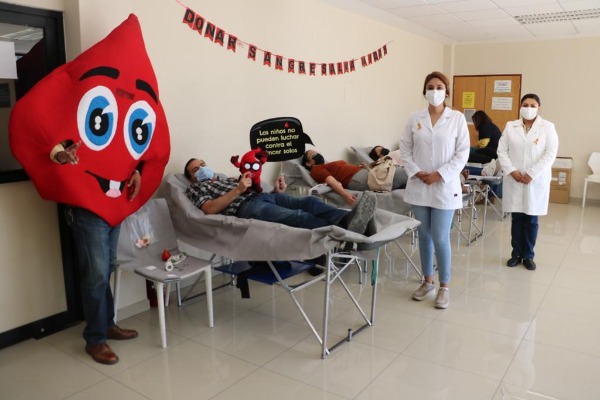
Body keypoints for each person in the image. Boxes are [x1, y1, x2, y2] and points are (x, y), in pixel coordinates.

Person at [51, 141, 140, 365]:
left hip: (113, 206)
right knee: (96, 275)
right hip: (88, 208)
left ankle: (107, 325)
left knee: (106, 269)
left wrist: (136, 171)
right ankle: (95, 339)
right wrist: (61, 155)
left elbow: (126, 151)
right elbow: (50, 143)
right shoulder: (73, 126)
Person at [399, 71, 470, 309]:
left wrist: (440, 174)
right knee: (424, 236)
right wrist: (417, 172)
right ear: (424, 91)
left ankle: (444, 287)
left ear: (446, 92)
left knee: (440, 237)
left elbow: (462, 153)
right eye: (430, 87)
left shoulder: (457, 118)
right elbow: (404, 149)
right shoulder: (415, 118)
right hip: (419, 184)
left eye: (439, 87)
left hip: (444, 186)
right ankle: (427, 281)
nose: (435, 91)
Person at [183, 158, 376, 235]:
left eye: (203, 164)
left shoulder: (227, 178)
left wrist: (276, 191)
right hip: (246, 208)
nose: (202, 169)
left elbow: (253, 191)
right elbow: (209, 209)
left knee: (310, 202)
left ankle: (349, 219)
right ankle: (348, 233)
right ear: (191, 178)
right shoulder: (195, 188)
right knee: (299, 216)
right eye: (196, 169)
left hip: (264, 197)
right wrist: (238, 190)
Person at [497, 93, 558, 271]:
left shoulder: (547, 127)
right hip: (515, 179)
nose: (528, 108)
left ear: (539, 108)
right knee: (517, 219)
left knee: (531, 219)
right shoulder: (511, 126)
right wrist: (511, 171)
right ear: (520, 107)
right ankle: (516, 254)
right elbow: (502, 151)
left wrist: (531, 174)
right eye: (525, 105)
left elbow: (550, 154)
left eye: (533, 105)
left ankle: (528, 255)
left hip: (535, 181)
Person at [301, 150, 408, 205]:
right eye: (313, 155)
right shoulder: (316, 169)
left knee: (407, 178)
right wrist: (346, 195)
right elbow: (331, 180)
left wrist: (358, 167)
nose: (317, 154)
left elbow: (343, 170)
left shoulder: (326, 165)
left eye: (317, 153)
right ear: (308, 163)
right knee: (406, 173)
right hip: (357, 179)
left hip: (362, 173)